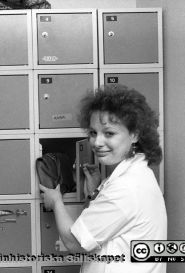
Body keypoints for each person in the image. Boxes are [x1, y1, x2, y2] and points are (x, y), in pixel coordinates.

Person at [39, 85, 167, 273]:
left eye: (109, 133)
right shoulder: (134, 175)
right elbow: (112, 224)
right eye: (93, 133)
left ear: (134, 134)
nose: (97, 143)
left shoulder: (127, 187)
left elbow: (74, 243)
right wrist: (94, 193)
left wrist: (57, 201)